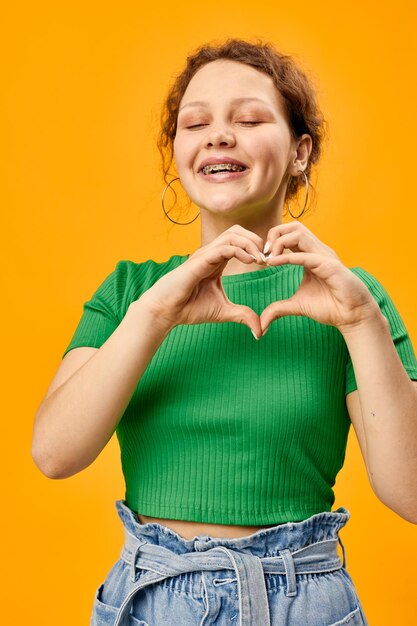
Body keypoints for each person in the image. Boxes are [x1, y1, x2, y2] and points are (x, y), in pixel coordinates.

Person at [32, 38, 417, 626]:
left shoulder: (351, 299)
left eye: (249, 118)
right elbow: (55, 454)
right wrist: (156, 315)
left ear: (300, 152)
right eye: (196, 123)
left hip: (305, 601)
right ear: (179, 153)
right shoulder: (132, 293)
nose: (218, 135)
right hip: (152, 599)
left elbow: (410, 493)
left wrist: (362, 322)